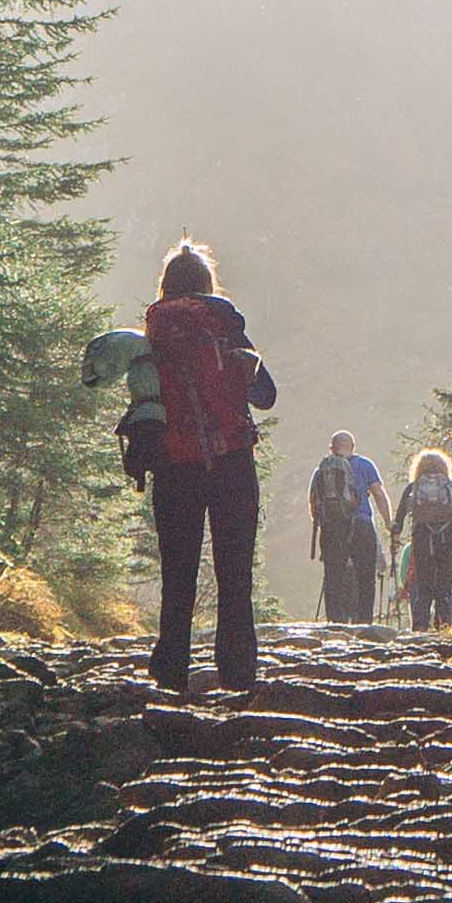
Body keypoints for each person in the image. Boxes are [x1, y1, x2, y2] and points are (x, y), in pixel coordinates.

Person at [142, 238, 276, 693]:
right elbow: (266, 395)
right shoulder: (223, 323)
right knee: (234, 573)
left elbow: (145, 405)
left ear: (165, 285)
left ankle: (170, 671)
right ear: (208, 284)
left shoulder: (154, 332)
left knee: (177, 572)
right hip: (232, 463)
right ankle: (238, 675)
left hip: (175, 467)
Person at [308, 429, 392, 623]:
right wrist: (388, 522)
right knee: (365, 575)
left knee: (333, 576)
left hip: (333, 527)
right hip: (362, 525)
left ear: (332, 448)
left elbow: (313, 502)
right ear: (353, 447)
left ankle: (335, 623)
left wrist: (321, 525)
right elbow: (378, 494)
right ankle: (364, 623)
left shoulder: (321, 470)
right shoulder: (365, 464)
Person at [393, 448, 452, 631]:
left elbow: (399, 517)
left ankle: (420, 628)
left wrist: (395, 540)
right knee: (444, 587)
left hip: (423, 536)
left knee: (424, 585)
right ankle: (444, 628)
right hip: (451, 535)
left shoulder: (413, 487)